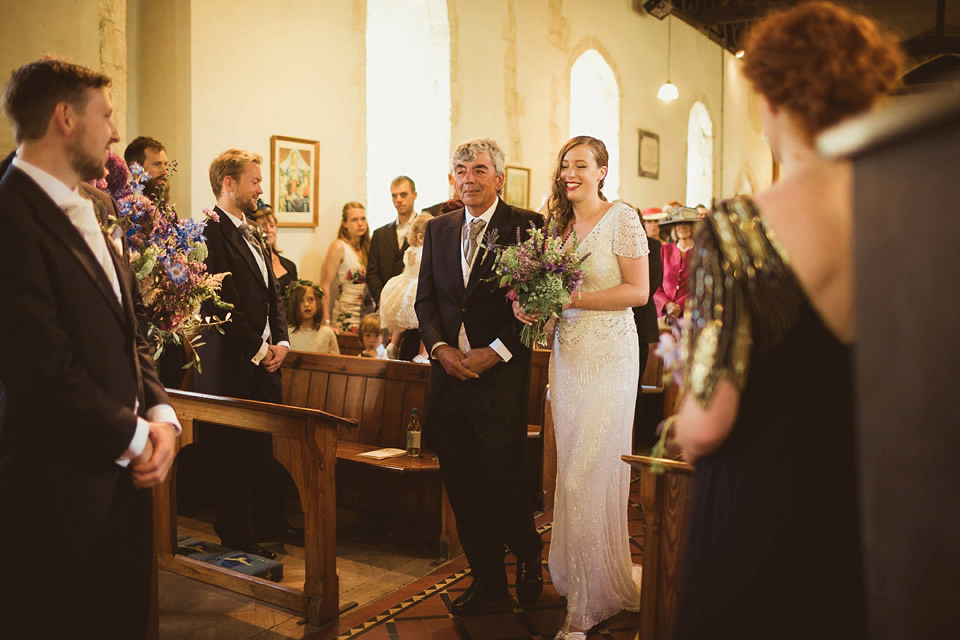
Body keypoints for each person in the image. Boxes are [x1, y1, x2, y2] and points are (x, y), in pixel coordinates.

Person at [671, 4, 903, 639]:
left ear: (769, 98)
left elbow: (709, 420)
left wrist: (680, 424)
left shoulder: (737, 226)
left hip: (760, 501)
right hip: (870, 499)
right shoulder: (910, 221)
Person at [0, 58, 179, 637]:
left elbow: (130, 329)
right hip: (54, 491)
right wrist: (135, 438)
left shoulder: (100, 208)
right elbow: (39, 368)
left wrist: (162, 413)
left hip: (127, 478)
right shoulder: (8, 215)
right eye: (106, 115)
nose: (116, 132)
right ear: (65, 118)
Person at [515, 136, 649, 638]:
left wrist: (571, 299)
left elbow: (637, 291)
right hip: (569, 359)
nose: (569, 173)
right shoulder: (562, 230)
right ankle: (589, 578)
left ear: (601, 171)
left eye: (580, 165)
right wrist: (530, 306)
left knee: (588, 471)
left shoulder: (623, 218)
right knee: (570, 467)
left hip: (611, 355)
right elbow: (550, 295)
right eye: (564, 165)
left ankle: (587, 607)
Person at [415, 137, 545, 615]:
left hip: (498, 376)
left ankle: (528, 551)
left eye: (479, 170)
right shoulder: (438, 228)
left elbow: (537, 298)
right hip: (449, 378)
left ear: (499, 178)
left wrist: (497, 351)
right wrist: (441, 349)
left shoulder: (527, 226)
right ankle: (488, 580)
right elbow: (426, 300)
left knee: (503, 478)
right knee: (463, 487)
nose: (468, 179)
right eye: (461, 170)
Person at [193, 148, 292, 559]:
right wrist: (257, 348)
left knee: (261, 451)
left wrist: (282, 342)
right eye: (254, 180)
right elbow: (216, 304)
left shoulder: (250, 229)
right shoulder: (207, 233)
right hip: (233, 365)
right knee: (232, 456)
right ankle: (235, 535)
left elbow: (273, 296)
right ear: (229, 183)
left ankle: (269, 526)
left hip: (265, 361)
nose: (261, 188)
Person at [369, 176, 425, 360]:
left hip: (418, 308)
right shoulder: (380, 234)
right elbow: (373, 272)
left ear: (414, 195)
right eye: (394, 196)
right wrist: (385, 302)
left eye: (403, 194)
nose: (398, 200)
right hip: (388, 307)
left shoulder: (428, 227)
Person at [380, 212, 431, 362]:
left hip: (404, 287)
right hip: (419, 288)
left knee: (399, 321)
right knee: (425, 323)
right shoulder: (425, 252)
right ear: (421, 237)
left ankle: (393, 344)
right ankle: (423, 353)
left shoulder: (409, 250)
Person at [633, 207, 663, 447]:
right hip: (609, 323)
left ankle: (634, 445)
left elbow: (650, 284)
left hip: (639, 325)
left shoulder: (652, 245)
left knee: (634, 388)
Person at [319, 201, 372, 334]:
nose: (360, 223)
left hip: (369, 315)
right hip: (347, 315)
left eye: (363, 219)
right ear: (345, 224)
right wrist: (326, 322)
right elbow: (324, 285)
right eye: (354, 220)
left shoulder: (369, 247)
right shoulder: (339, 247)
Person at [653, 206, 700, 322]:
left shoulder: (702, 253)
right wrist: (667, 304)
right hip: (664, 316)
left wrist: (679, 306)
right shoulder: (663, 250)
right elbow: (654, 284)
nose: (682, 227)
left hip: (692, 316)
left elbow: (702, 286)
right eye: (678, 224)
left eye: (687, 223)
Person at [251, 200, 298, 297]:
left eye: (272, 226)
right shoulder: (252, 264)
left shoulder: (290, 266)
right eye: (263, 226)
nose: (268, 230)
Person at [287, 281, 339, 354]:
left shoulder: (327, 333)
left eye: (310, 299)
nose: (306, 304)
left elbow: (336, 361)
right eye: (301, 301)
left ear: (317, 303)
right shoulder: (287, 333)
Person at [123, 134, 169, 201]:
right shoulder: (121, 206)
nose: (165, 172)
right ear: (135, 168)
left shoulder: (166, 209)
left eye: (165, 164)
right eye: (157, 164)